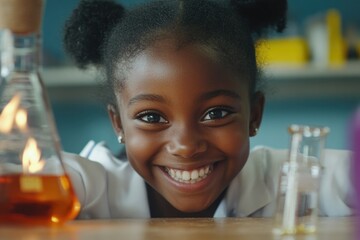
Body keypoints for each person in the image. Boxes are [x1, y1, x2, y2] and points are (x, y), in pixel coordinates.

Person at [61, 0, 354, 219]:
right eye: (152, 117)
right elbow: (32, 177)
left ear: (254, 115)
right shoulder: (95, 186)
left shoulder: (289, 178)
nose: (186, 146)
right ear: (118, 124)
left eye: (216, 113)